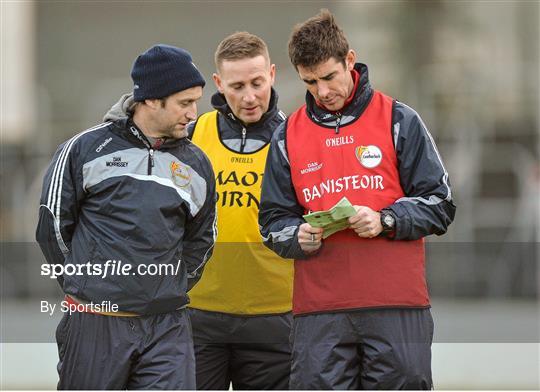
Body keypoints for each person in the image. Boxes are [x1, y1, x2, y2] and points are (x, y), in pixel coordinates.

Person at [259, 10, 456, 390]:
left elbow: (441, 204)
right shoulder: (287, 136)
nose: (323, 91)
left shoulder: (399, 119)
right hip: (320, 313)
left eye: (329, 77)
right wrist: (295, 235)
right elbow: (271, 221)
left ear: (350, 60)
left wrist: (386, 219)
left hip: (396, 307)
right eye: (310, 82)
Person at [104, 32, 293, 390]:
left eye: (257, 82)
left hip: (276, 318)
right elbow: (133, 137)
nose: (249, 96)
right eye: (237, 85)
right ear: (219, 83)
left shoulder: (295, 138)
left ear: (272, 74)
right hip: (197, 315)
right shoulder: (189, 134)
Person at [36, 44, 217, 389]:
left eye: (196, 101)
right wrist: (86, 286)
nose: (194, 113)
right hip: (95, 323)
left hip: (168, 326)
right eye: (184, 103)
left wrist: (168, 287)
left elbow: (202, 238)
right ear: (150, 99)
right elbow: (52, 227)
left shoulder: (197, 164)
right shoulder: (83, 149)